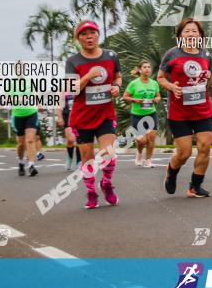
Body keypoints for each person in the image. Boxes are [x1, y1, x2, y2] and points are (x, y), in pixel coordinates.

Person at [157, 20, 212, 197]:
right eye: (187, 31)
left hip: (202, 110)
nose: (191, 34)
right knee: (184, 153)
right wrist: (171, 87)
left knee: (205, 146)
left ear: (200, 35)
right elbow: (161, 78)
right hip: (179, 112)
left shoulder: (206, 55)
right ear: (180, 35)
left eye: (195, 31)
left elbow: (211, 77)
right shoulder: (172, 54)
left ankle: (195, 185)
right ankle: (172, 170)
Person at [66, 20, 122, 209]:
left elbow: (118, 76)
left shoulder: (111, 56)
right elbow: (72, 89)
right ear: (78, 38)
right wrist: (88, 76)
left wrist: (117, 87)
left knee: (108, 153)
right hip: (82, 117)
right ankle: (91, 191)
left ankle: (106, 183)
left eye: (92, 33)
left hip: (105, 113)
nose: (89, 37)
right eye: (84, 34)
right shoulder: (73, 61)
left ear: (98, 35)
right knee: (88, 159)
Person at [123, 60, 162, 168]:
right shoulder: (134, 84)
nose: (147, 69)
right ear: (140, 70)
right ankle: (139, 153)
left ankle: (148, 160)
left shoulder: (154, 83)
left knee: (151, 138)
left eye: (149, 67)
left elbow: (158, 95)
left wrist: (156, 99)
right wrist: (134, 99)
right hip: (137, 115)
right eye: (144, 67)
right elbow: (125, 96)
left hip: (151, 114)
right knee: (142, 141)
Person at [9, 67, 40, 177]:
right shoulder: (11, 84)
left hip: (31, 112)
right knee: (21, 143)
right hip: (18, 115)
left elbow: (36, 94)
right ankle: (21, 162)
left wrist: (38, 102)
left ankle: (31, 165)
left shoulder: (30, 81)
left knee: (30, 140)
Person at [56, 93, 81, 171]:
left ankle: (79, 162)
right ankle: (69, 158)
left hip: (79, 114)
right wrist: (59, 117)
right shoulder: (63, 88)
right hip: (67, 115)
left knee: (79, 139)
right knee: (71, 140)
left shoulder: (80, 84)